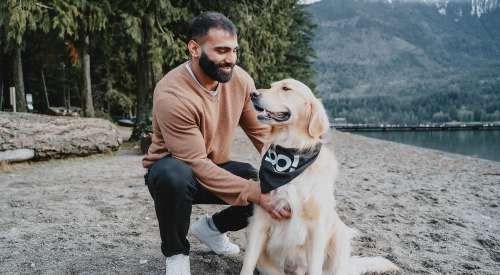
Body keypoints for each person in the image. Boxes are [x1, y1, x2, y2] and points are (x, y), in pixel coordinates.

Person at [142, 12, 290, 275]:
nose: (230, 58)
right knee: (174, 176)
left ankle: (211, 229)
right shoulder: (172, 93)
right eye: (221, 50)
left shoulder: (240, 80)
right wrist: (255, 193)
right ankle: (176, 254)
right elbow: (194, 163)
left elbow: (262, 135)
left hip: (213, 165)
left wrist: (289, 175)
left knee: (257, 178)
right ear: (194, 48)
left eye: (234, 50)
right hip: (176, 170)